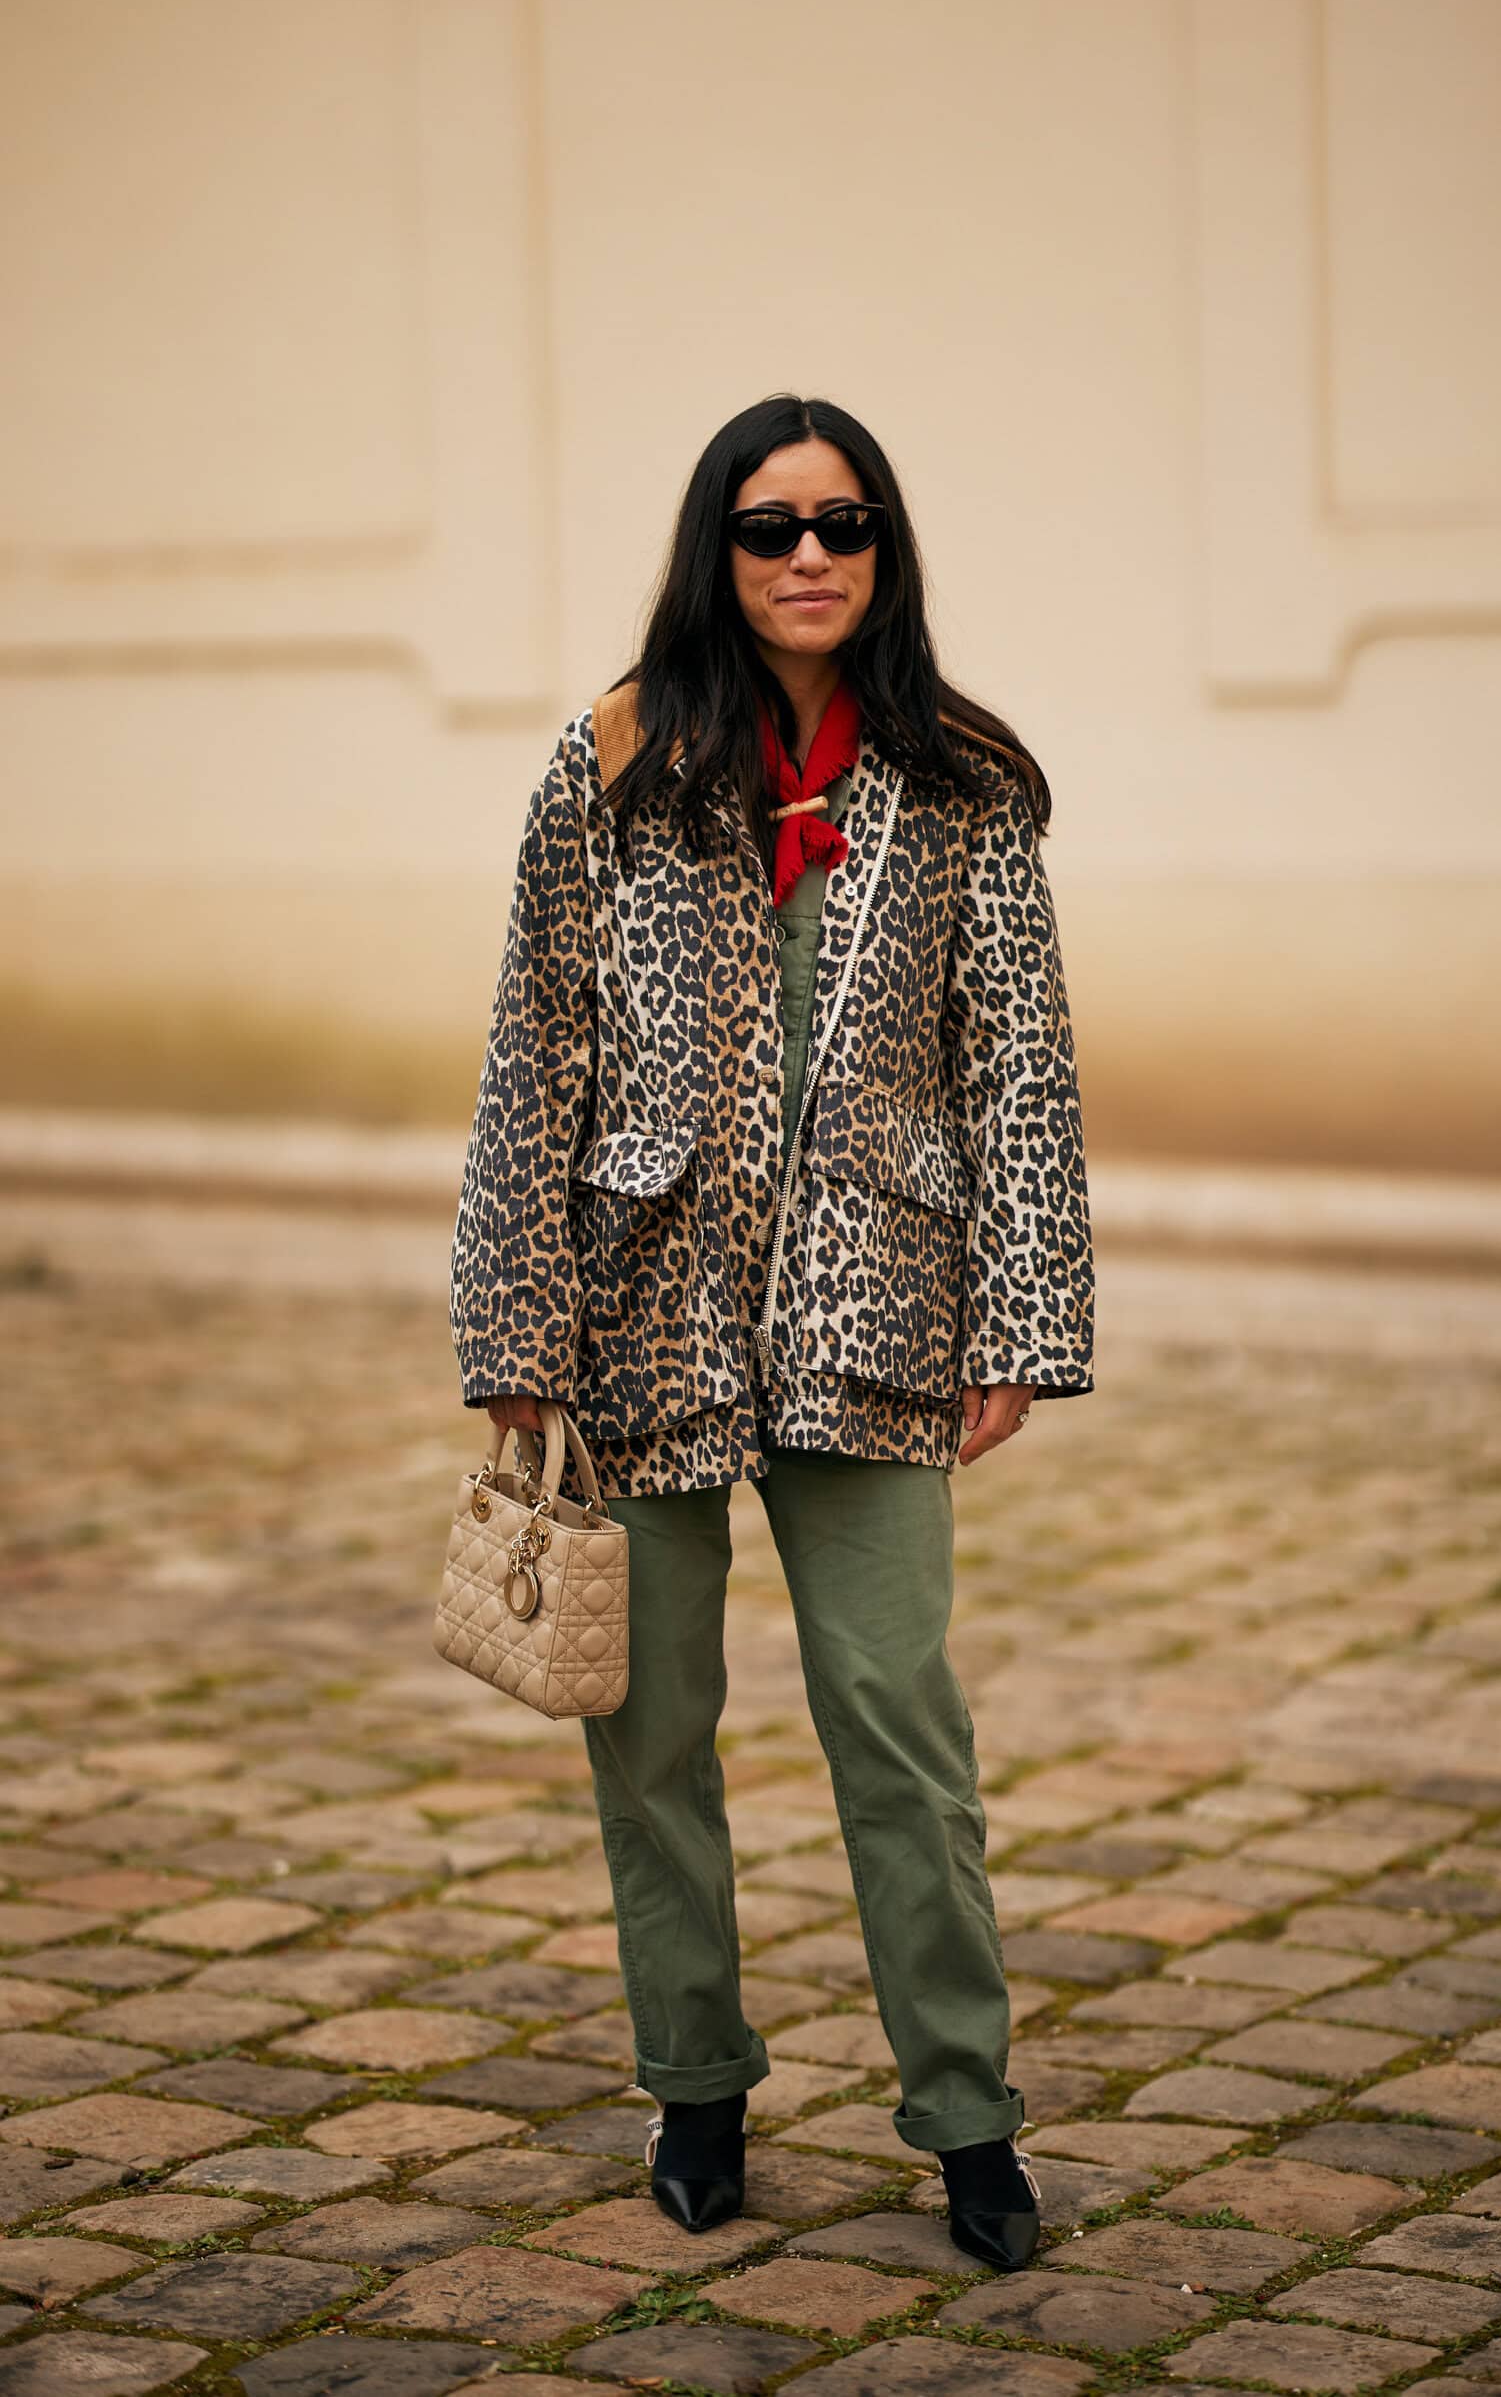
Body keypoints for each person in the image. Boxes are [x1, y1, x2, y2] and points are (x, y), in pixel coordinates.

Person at [450, 392, 1096, 2270]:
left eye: (844, 521)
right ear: (713, 552)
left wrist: (1024, 1319)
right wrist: (514, 1319)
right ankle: (699, 2085)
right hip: (640, 1307)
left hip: (882, 1299)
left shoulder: (965, 776)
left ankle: (971, 2120)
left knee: (898, 1718)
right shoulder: (613, 764)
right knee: (647, 1730)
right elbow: (532, 1055)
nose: (807, 554)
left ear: (884, 548)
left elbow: (1023, 1074)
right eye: (767, 525)